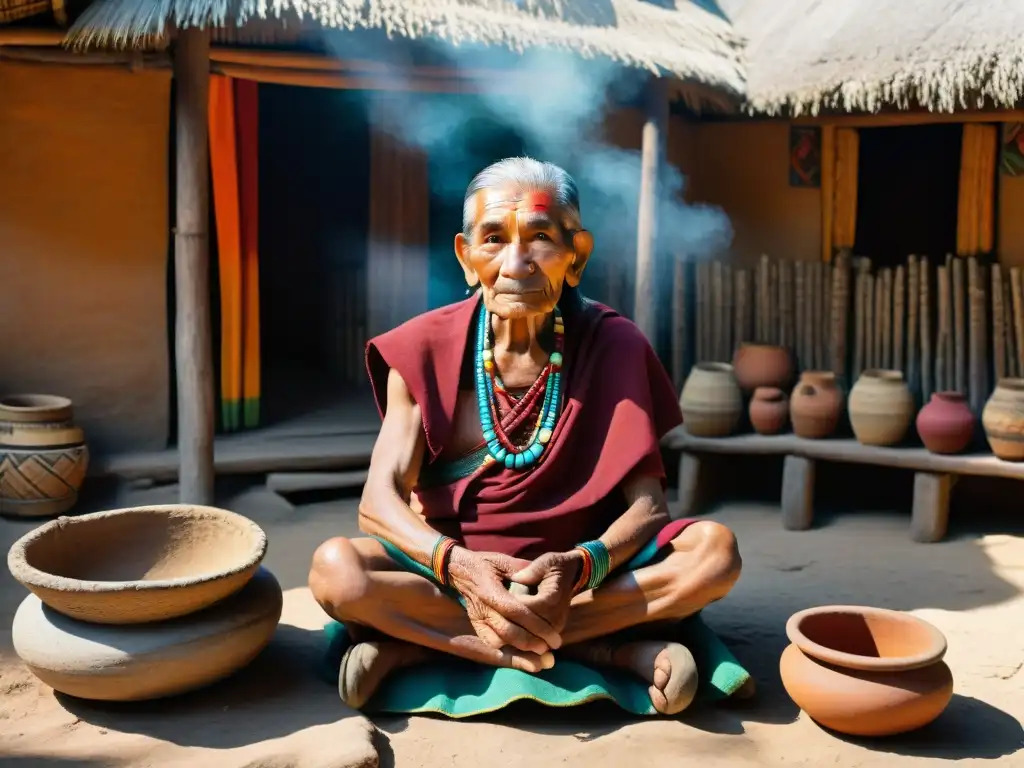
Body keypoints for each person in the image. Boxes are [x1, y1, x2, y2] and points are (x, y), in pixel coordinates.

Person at [308, 157, 743, 715]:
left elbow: (649, 511)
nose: (516, 263)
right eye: (493, 239)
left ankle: (427, 647)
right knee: (336, 570)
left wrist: (581, 564)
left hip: (586, 579)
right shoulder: (422, 350)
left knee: (714, 553)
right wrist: (459, 566)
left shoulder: (615, 346)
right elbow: (377, 503)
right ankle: (603, 647)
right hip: (451, 576)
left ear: (576, 256)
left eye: (540, 238)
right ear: (466, 257)